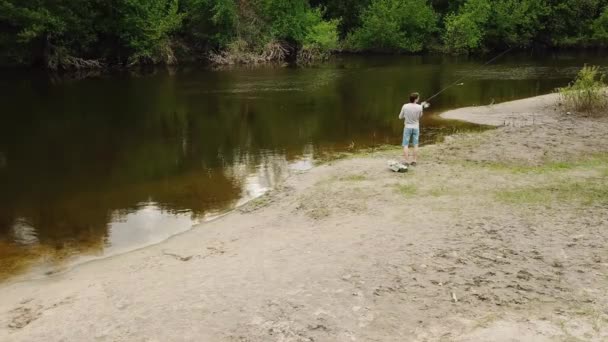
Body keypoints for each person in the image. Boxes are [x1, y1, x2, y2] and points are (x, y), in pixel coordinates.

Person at [398, 92, 429, 166]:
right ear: (415, 99)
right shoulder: (419, 107)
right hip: (415, 127)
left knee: (405, 144)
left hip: (407, 127)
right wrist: (421, 106)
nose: (419, 98)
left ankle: (406, 161)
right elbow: (420, 116)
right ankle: (414, 161)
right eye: (418, 97)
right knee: (415, 144)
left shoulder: (405, 106)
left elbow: (400, 117)